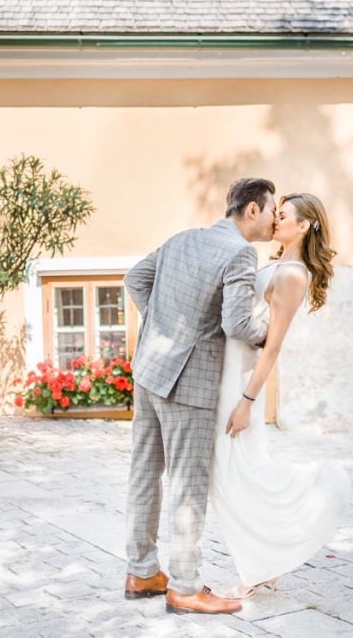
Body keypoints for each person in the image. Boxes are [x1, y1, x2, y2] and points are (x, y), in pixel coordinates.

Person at [122, 177, 276, 615]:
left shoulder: (182, 238)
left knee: (143, 472)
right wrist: (276, 334)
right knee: (189, 484)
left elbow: (135, 279)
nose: (273, 217)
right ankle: (186, 586)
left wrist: (161, 325)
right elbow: (238, 326)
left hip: (149, 371)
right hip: (189, 383)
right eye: (270, 209)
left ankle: (142, 571)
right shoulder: (240, 252)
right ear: (251, 210)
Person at [210, 192, 351, 599]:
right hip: (230, 375)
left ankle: (259, 566)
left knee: (243, 473)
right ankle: (262, 565)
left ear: (303, 226)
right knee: (233, 473)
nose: (275, 220)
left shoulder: (291, 275)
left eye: (283, 215)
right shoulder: (278, 266)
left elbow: (272, 347)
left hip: (241, 383)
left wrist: (246, 403)